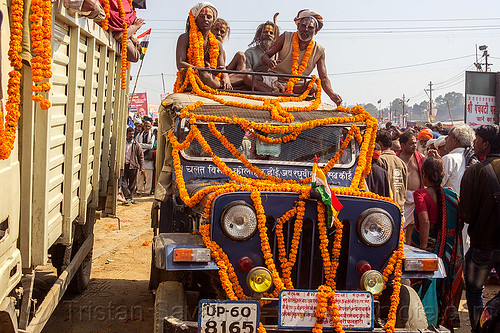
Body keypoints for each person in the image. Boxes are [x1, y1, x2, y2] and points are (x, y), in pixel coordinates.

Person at [411, 157, 463, 329]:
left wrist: (423, 250)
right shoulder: (451, 195)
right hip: (447, 248)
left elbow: (424, 221)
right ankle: (444, 318)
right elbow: (459, 222)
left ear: (424, 174)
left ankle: (423, 320)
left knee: (421, 284)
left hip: (428, 246)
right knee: (444, 284)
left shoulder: (421, 194)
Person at [460, 124, 500, 332]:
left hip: (482, 245)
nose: (473, 143)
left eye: (476, 139)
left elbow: (466, 215)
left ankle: (479, 328)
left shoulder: (475, 171)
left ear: (486, 144)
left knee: (475, 293)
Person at [255, 9, 342, 105]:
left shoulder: (319, 51)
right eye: (303, 26)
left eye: (310, 28)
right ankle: (273, 92)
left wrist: (332, 94)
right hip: (273, 79)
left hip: (296, 85)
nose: (306, 30)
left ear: (316, 31)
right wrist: (268, 62)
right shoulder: (286, 37)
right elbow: (265, 56)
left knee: (313, 87)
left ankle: (278, 92)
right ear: (298, 26)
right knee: (249, 77)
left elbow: (324, 78)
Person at [176, 2, 231, 90]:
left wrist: (226, 77)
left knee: (244, 75)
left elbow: (222, 67)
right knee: (204, 75)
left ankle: (223, 84)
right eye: (202, 16)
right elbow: (180, 64)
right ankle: (221, 86)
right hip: (193, 78)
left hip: (213, 77)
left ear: (213, 22)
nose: (206, 19)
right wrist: (200, 69)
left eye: (209, 17)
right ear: (196, 19)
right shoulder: (185, 38)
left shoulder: (217, 44)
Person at [397, 131, 424, 243]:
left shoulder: (420, 157)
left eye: (415, 143)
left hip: (416, 198)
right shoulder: (396, 158)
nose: (415, 146)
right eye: (411, 143)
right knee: (400, 227)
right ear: (402, 146)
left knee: (411, 227)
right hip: (401, 199)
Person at [376, 130, 407, 215]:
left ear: (379, 143)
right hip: (399, 208)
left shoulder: (380, 160)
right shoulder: (401, 162)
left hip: (386, 208)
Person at [211, 18, 247, 87]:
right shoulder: (204, 43)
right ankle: (224, 84)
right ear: (211, 29)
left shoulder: (222, 51)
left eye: (222, 32)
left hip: (221, 75)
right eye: (216, 29)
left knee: (240, 56)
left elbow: (222, 69)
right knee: (246, 75)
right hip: (210, 77)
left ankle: (231, 84)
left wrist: (225, 76)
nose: (219, 33)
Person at [122, 127, 144, 205]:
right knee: (123, 183)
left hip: (133, 166)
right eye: (130, 134)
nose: (131, 135)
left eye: (132, 134)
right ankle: (128, 198)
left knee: (132, 184)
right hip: (124, 166)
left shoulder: (136, 144)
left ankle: (130, 198)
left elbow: (140, 156)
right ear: (126, 134)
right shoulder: (122, 143)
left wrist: (142, 167)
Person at [136, 120, 154, 195]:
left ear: (150, 127)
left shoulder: (152, 135)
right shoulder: (139, 135)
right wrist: (145, 145)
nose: (147, 128)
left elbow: (151, 146)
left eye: (149, 126)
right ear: (144, 126)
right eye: (146, 126)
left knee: (148, 176)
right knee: (139, 176)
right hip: (140, 158)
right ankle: (139, 190)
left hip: (148, 158)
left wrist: (141, 145)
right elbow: (136, 144)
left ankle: (147, 191)